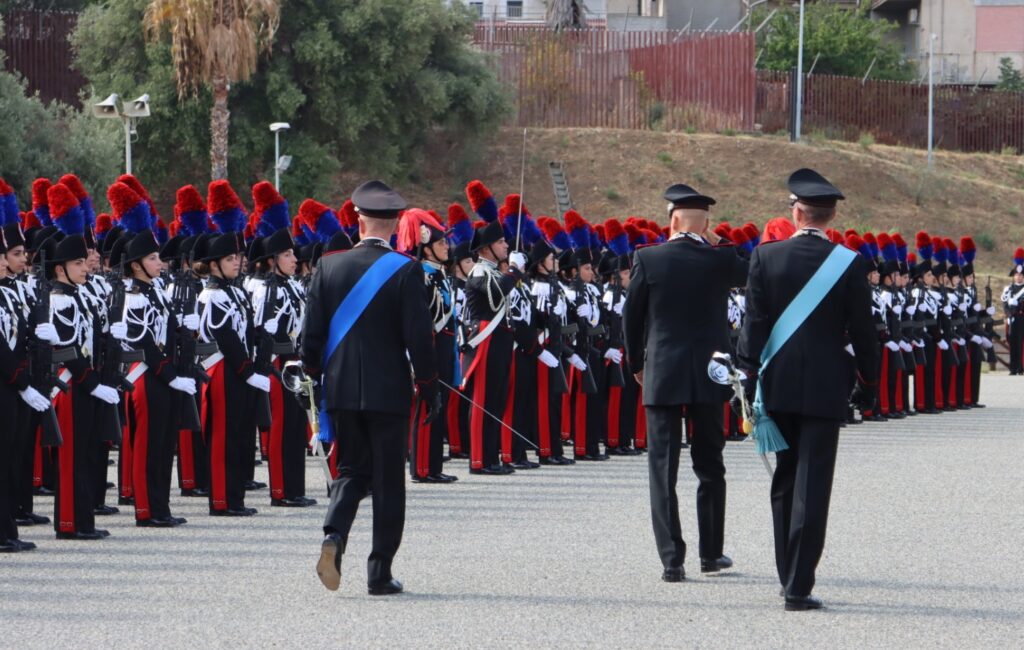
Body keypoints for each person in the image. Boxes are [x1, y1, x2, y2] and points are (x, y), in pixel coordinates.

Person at [737, 169, 879, 611]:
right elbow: (864, 332)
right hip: (824, 386)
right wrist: (869, 384)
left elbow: (753, 326)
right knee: (813, 483)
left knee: (784, 477)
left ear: (796, 212)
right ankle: (799, 583)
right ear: (830, 216)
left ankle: (785, 575)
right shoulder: (849, 262)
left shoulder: (765, 257)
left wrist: (746, 376)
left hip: (776, 384)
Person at [303, 180, 439, 596]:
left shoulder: (328, 266)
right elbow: (420, 339)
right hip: (389, 392)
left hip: (342, 390)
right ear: (396, 225)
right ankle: (379, 571)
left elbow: (310, 338)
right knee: (387, 481)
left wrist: (314, 378)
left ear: (358, 219)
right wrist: (429, 386)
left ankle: (335, 535)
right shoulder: (406, 268)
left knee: (350, 470)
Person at [622, 183, 748, 583]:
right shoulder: (720, 259)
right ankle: (711, 554)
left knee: (663, 468)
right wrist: (719, 240)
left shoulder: (649, 258)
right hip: (710, 374)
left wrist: (636, 362)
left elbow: (632, 318)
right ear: (706, 222)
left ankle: (671, 560)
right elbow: (748, 270)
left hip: (662, 371)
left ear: (671, 220)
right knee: (710, 465)